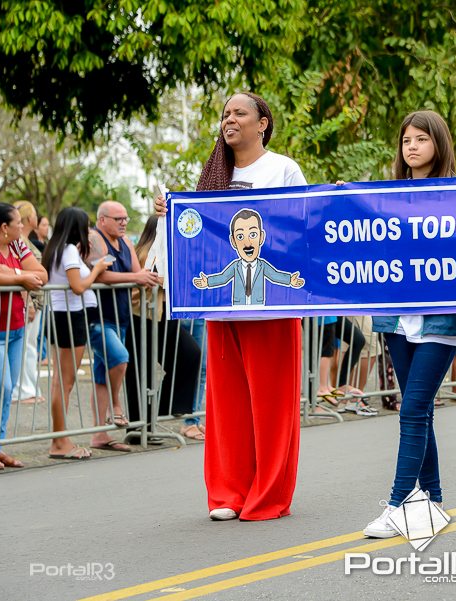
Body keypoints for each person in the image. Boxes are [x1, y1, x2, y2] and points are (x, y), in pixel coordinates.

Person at [160, 91, 306, 521]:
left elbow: (303, 225)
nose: (230, 119)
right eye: (226, 113)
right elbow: (196, 237)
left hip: (272, 310)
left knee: (272, 407)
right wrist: (172, 214)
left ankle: (268, 495)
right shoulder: (212, 176)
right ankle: (228, 493)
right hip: (222, 310)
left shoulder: (282, 169)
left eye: (240, 113)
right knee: (227, 407)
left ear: (262, 123)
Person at [364, 110, 456, 538]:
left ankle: (398, 506)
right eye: (406, 140)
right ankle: (433, 500)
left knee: (410, 411)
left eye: (421, 139)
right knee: (420, 411)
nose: (412, 146)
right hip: (397, 317)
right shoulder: (387, 196)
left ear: (438, 144)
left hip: (440, 318)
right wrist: (340, 201)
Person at [0, 202, 48, 470]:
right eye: (18, 223)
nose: (22, 226)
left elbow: (42, 274)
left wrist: (11, 273)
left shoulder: (17, 244)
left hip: (15, 328)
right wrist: (21, 276)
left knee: (7, 389)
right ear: (4, 227)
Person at [87, 201, 161, 452]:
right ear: (102, 220)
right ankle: (116, 404)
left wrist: (146, 277)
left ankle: (99, 434)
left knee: (101, 376)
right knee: (120, 358)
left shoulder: (126, 242)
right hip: (98, 317)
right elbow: (101, 275)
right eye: (118, 219)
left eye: (125, 218)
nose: (123, 223)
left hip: (121, 317)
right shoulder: (94, 239)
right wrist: (136, 277)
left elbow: (138, 273)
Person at [42, 207, 113, 460]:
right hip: (70, 318)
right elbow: (78, 286)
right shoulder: (69, 250)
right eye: (86, 225)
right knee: (65, 382)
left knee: (60, 382)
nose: (89, 230)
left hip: (60, 316)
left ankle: (60, 439)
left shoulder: (55, 248)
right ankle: (59, 441)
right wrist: (97, 269)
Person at [125, 215, 200, 430]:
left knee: (189, 355)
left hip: (162, 314)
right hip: (144, 316)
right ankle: (141, 425)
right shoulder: (146, 253)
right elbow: (154, 279)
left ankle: (161, 411)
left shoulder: (164, 251)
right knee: (141, 371)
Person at [11, 200, 46, 405]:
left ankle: (30, 387)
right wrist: (29, 304)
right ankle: (22, 390)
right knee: (25, 347)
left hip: (35, 301)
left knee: (30, 347)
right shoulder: (19, 242)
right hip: (29, 302)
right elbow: (20, 273)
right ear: (28, 217)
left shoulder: (25, 240)